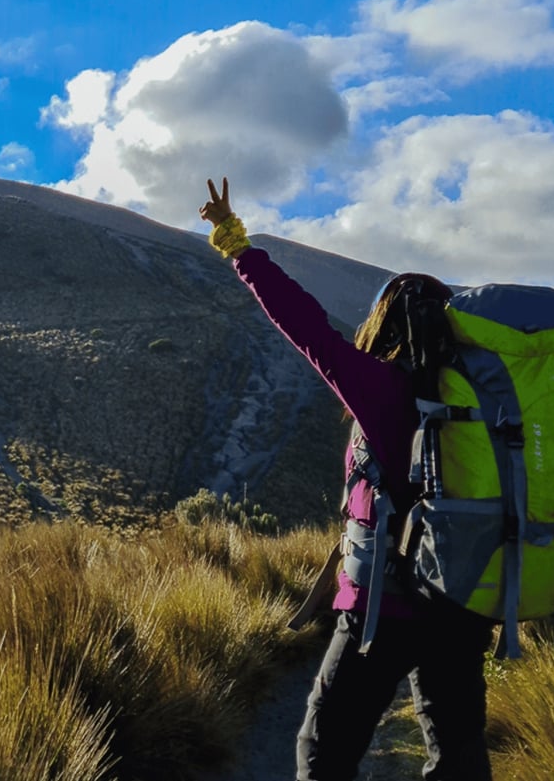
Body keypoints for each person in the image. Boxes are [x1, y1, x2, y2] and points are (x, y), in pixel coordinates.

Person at [198, 177, 493, 781]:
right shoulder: (482, 407)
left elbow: (305, 324)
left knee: (322, 752)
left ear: (382, 322)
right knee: (458, 754)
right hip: (462, 606)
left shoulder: (380, 388)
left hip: (383, 611)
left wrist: (236, 244)